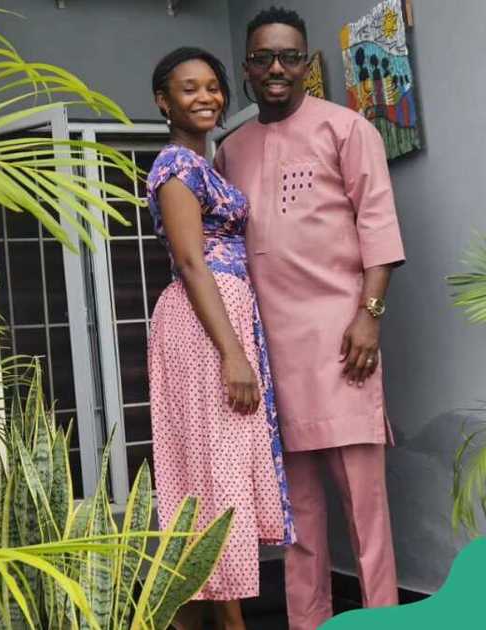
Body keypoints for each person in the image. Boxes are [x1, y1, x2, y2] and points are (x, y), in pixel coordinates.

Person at [213, 7, 405, 630]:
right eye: (263, 57)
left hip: (343, 342)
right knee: (296, 515)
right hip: (271, 352)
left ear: (307, 64)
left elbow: (378, 226)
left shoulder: (347, 129)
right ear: (247, 68)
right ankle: (308, 622)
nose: (276, 68)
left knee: (364, 510)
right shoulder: (229, 149)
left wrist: (368, 317)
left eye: (289, 57)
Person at [146, 47, 295, 630]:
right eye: (189, 88)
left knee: (216, 472)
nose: (205, 97)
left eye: (213, 86)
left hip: (222, 318)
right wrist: (233, 352)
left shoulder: (203, 163)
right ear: (164, 101)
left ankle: (192, 617)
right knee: (215, 475)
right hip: (204, 324)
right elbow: (190, 261)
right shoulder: (176, 169)